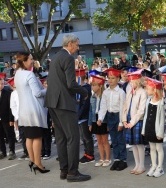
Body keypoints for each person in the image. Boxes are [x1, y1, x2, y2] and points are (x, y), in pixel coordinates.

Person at [45, 34, 91, 182]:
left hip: (52, 102)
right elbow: (71, 84)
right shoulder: (68, 58)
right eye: (77, 45)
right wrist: (84, 92)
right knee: (73, 137)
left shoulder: (56, 56)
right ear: (70, 44)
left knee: (61, 138)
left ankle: (64, 171)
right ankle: (72, 173)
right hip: (64, 103)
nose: (78, 48)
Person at [14, 52, 50, 174]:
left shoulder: (17, 74)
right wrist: (47, 90)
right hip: (33, 110)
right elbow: (37, 93)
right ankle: (38, 164)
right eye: (30, 59)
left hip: (24, 110)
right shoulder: (28, 74)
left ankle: (32, 160)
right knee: (37, 138)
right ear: (24, 61)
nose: (32, 60)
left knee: (29, 137)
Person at [97, 68, 127, 171]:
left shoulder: (121, 92)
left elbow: (123, 107)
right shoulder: (106, 92)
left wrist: (121, 122)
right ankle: (117, 159)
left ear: (118, 79)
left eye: (113, 78)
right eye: (109, 78)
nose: (110, 80)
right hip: (110, 116)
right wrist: (100, 118)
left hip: (118, 116)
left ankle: (123, 160)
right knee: (113, 140)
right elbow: (103, 106)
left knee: (120, 139)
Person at [122, 70, 147, 175]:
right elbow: (125, 106)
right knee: (133, 145)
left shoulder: (143, 92)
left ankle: (142, 165)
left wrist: (132, 122)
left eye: (133, 81)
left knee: (139, 144)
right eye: (130, 81)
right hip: (129, 121)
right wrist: (124, 120)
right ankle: (137, 164)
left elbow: (141, 110)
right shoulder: (130, 92)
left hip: (137, 121)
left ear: (138, 81)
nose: (131, 83)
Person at [142, 78, 165, 178]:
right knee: (152, 148)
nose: (146, 90)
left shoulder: (161, 102)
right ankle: (154, 165)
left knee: (159, 148)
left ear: (155, 89)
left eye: (148, 89)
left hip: (157, 130)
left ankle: (160, 167)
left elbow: (162, 119)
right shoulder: (149, 100)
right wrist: (144, 129)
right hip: (149, 128)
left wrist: (160, 133)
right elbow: (146, 116)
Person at [88, 75, 111, 167]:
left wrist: (108, 123)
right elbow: (90, 111)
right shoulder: (92, 97)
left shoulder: (105, 96)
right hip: (95, 119)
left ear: (100, 86)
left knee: (105, 140)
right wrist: (90, 123)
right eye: (92, 85)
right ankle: (101, 158)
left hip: (103, 120)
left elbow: (107, 111)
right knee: (99, 140)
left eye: (94, 85)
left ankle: (107, 159)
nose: (92, 87)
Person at [8, 78, 28, 160]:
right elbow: (13, 106)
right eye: (14, 86)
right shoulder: (13, 94)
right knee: (23, 135)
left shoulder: (25, 92)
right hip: (20, 117)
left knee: (30, 134)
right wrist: (16, 116)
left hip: (28, 115)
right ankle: (26, 152)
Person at [77, 70, 94, 164]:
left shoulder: (86, 88)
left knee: (87, 137)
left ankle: (90, 155)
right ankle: (86, 153)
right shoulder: (78, 88)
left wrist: (78, 114)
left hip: (84, 116)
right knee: (83, 137)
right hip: (78, 116)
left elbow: (85, 104)